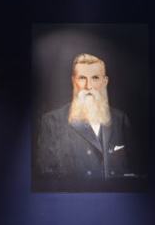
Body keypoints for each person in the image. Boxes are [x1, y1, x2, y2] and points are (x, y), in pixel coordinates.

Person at [35, 53, 134, 181]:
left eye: (95, 78)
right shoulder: (52, 122)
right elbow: (46, 177)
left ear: (105, 82)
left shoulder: (120, 119)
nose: (88, 86)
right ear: (73, 81)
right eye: (82, 78)